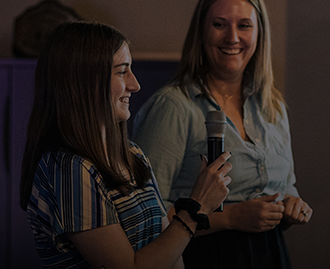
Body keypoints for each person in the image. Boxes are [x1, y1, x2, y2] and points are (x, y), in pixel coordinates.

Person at [132, 0, 313, 269]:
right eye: (219, 25)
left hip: (273, 253)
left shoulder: (272, 106)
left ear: (259, 34)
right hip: (203, 255)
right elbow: (143, 213)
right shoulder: (173, 106)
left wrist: (292, 206)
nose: (232, 37)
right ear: (201, 33)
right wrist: (230, 218)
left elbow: (287, 186)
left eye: (244, 25)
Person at [19, 21, 232, 269]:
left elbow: (169, 249)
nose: (135, 85)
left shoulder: (133, 154)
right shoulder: (70, 169)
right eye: (122, 72)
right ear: (86, 81)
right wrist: (196, 208)